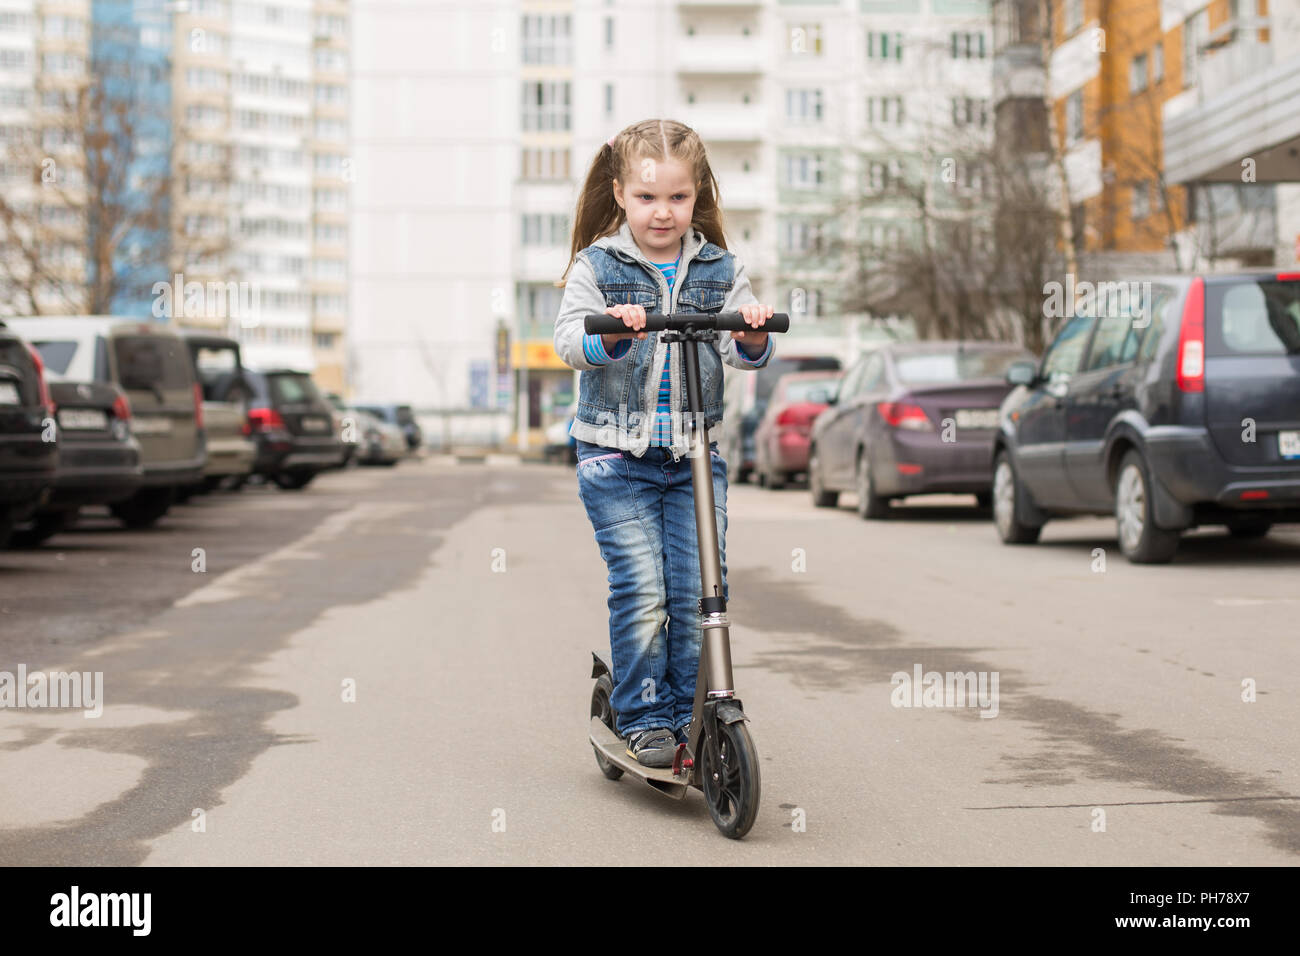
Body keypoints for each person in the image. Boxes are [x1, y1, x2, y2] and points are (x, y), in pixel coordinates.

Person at [553, 118, 775, 768]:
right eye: (647, 197)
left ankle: (689, 715)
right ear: (621, 193)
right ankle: (646, 714)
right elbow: (570, 340)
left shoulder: (720, 269)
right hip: (614, 458)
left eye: (677, 198)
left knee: (700, 590)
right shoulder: (598, 266)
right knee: (644, 587)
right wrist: (611, 336)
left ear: (697, 195)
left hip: (695, 460)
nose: (662, 212)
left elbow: (742, 347)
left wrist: (754, 334)